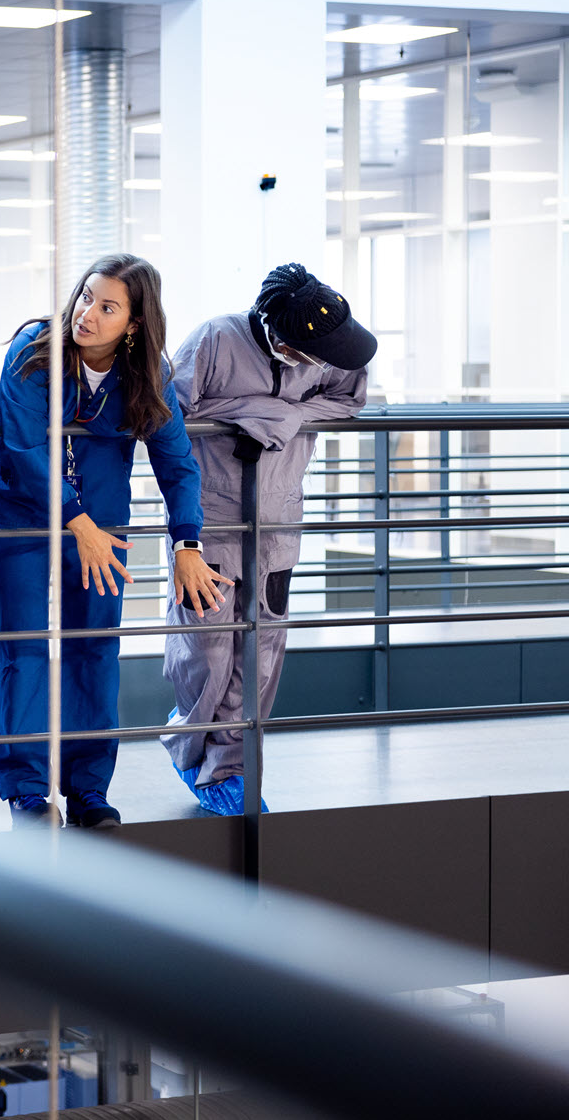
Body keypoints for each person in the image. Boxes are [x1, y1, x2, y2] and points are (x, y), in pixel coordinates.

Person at [0, 252, 226, 828]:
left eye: (107, 307)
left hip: (100, 530)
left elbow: (178, 463)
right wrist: (79, 522)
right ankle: (27, 791)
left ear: (134, 325)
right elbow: (25, 448)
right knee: (26, 648)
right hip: (20, 518)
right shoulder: (35, 352)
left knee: (93, 650)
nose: (87, 313)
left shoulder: (148, 375)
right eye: (86, 296)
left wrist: (187, 544)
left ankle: (88, 789)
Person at [162, 264, 374, 814]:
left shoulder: (326, 353)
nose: (321, 363)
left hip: (279, 523)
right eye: (312, 354)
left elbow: (349, 398)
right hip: (210, 521)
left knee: (260, 653)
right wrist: (250, 412)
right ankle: (192, 750)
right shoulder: (214, 339)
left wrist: (290, 414)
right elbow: (166, 415)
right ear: (278, 337)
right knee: (207, 650)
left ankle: (228, 768)